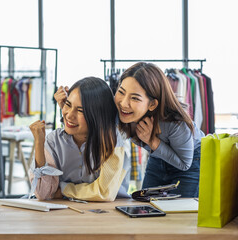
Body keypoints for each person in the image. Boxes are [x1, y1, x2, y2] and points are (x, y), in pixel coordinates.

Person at [29, 77, 129, 201]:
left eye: (80, 110)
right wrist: (39, 143)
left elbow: (105, 193)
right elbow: (43, 194)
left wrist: (63, 189)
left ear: (97, 116)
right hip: (66, 214)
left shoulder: (111, 139)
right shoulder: (54, 141)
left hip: (109, 212)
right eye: (68, 105)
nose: (69, 115)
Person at [114, 62, 205, 197]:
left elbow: (184, 164)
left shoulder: (175, 123)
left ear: (152, 104)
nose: (123, 103)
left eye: (134, 98)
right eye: (121, 92)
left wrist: (152, 141)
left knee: (182, 213)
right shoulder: (121, 111)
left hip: (191, 161)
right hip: (158, 157)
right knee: (147, 205)